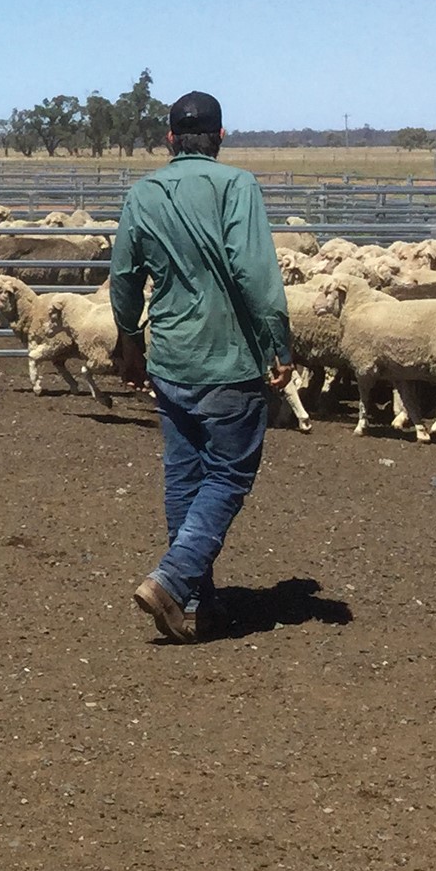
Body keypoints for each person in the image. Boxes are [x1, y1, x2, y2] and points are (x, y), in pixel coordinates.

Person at [109, 91, 292, 643]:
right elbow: (253, 272)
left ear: (170, 140)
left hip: (170, 358)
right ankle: (173, 578)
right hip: (228, 357)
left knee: (184, 476)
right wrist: (278, 341)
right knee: (230, 474)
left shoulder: (144, 193)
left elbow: (123, 275)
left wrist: (129, 341)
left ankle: (193, 605)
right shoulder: (237, 185)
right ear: (220, 137)